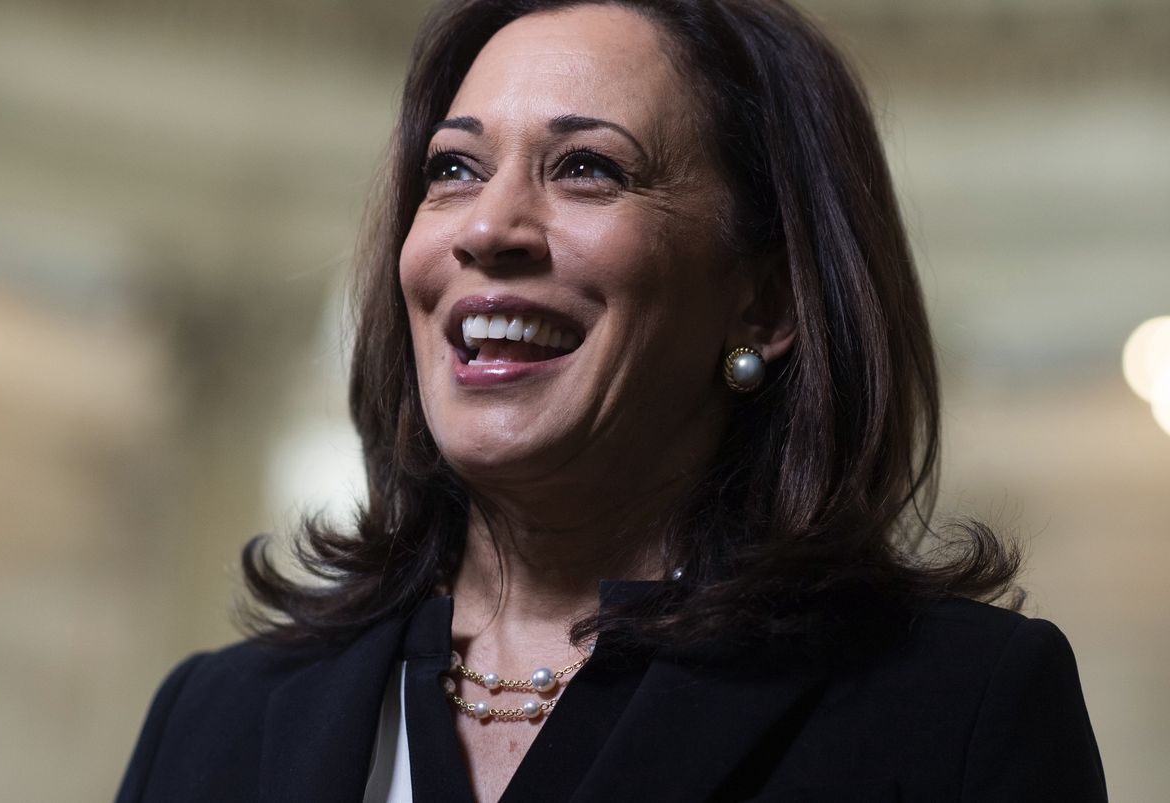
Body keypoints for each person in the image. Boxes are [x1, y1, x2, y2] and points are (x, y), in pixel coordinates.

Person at [116, 0, 1108, 801]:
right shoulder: (216, 714)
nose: (490, 226)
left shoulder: (953, 705)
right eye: (453, 168)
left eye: (588, 168)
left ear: (763, 302)